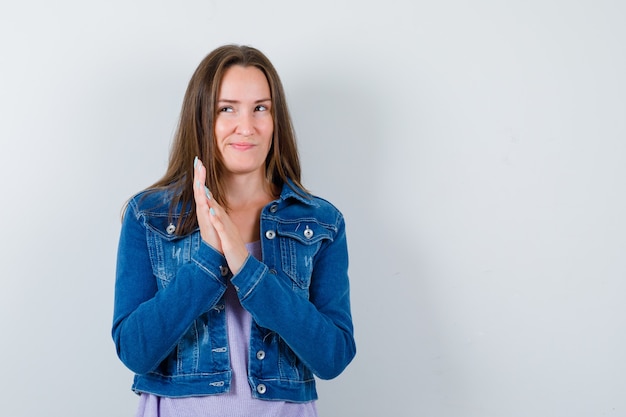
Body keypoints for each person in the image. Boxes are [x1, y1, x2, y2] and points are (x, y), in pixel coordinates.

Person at [112, 44, 356, 417]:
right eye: (227, 109)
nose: (247, 126)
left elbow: (332, 357)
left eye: (261, 108)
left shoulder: (321, 223)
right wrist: (209, 258)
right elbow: (135, 351)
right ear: (202, 119)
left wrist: (248, 269)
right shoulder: (148, 216)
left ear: (276, 120)